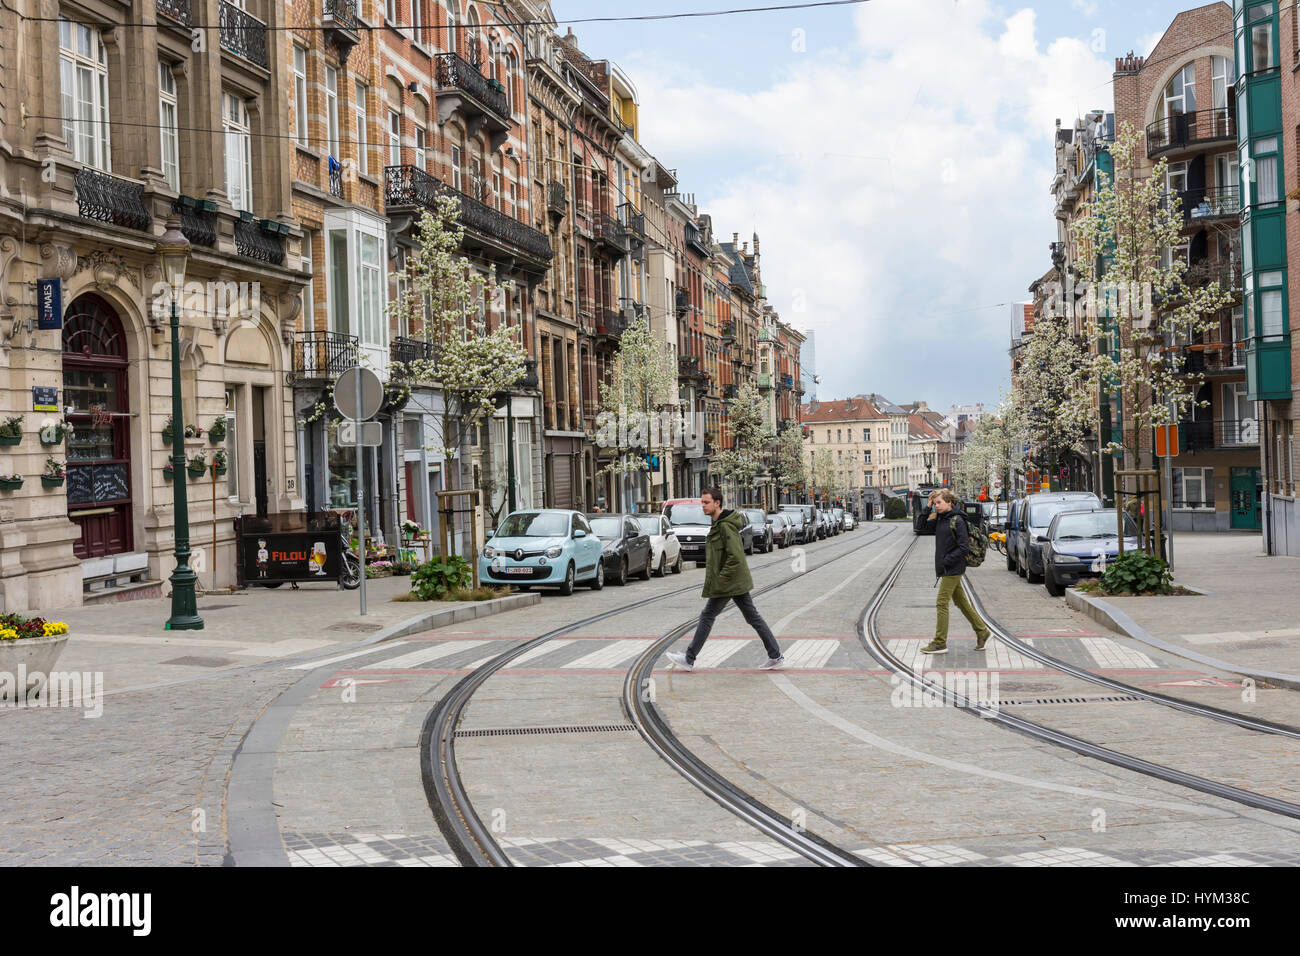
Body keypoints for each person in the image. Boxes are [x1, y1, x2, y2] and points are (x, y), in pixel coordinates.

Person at [667, 486, 785, 672]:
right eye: (702, 502)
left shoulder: (725, 526)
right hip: (734, 581)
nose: (703, 506)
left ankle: (689, 659)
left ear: (717, 503)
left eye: (706, 502)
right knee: (752, 617)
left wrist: (721, 580)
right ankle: (775, 655)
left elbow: (735, 557)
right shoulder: (718, 524)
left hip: (729, 581)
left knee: (708, 616)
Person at [922, 489, 991, 655]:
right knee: (961, 602)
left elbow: (963, 547)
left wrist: (947, 561)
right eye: (935, 503)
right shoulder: (940, 519)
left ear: (949, 502)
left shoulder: (957, 520)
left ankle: (940, 643)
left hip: (953, 568)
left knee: (941, 602)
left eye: (939, 502)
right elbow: (921, 527)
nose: (937, 506)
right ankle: (982, 631)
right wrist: (927, 507)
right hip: (946, 567)